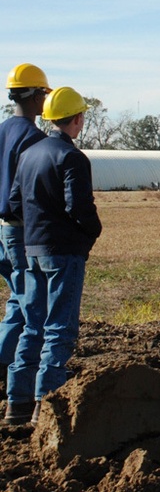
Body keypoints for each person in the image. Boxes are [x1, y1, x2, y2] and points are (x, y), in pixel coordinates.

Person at [5, 87, 101, 425]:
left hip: (32, 250)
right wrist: (91, 232)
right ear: (77, 119)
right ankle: (45, 406)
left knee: (33, 325)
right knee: (60, 328)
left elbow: (15, 202)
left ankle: (16, 402)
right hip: (64, 254)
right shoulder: (72, 157)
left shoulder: (30, 152)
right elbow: (79, 207)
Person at [0, 65, 51, 402]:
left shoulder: (3, 130)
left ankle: (6, 362)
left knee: (17, 298)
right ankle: (13, 370)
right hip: (21, 230)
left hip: (3, 229)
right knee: (29, 301)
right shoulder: (33, 138)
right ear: (35, 96)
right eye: (44, 95)